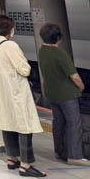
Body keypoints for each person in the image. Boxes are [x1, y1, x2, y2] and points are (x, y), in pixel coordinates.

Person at [0, 14, 46, 177]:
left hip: (0, 90)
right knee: (24, 126)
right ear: (8, 28)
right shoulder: (10, 45)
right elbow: (24, 69)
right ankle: (25, 165)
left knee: (7, 123)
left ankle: (12, 159)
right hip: (16, 91)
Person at [37, 23, 89, 166]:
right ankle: (75, 156)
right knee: (74, 124)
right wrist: (81, 86)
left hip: (52, 93)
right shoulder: (60, 53)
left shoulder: (42, 50)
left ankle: (59, 152)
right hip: (67, 94)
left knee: (58, 122)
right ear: (58, 38)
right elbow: (74, 76)